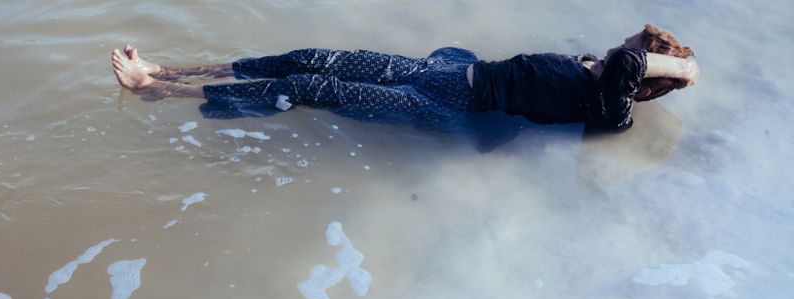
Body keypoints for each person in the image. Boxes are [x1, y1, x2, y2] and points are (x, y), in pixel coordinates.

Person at [110, 24, 698, 133]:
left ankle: (161, 92)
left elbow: (627, 67)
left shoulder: (613, 109)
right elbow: (620, 60)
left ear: (645, 81)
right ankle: (170, 69)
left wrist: (685, 68)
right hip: (440, 71)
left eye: (627, 51)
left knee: (314, 89)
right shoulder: (600, 72)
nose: (612, 50)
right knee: (311, 55)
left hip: (447, 106)